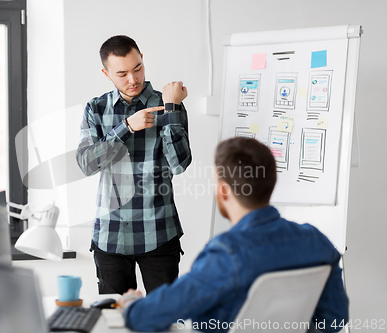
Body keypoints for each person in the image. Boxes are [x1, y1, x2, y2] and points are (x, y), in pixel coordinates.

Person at [117, 137, 349, 333]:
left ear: (224, 191)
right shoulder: (316, 242)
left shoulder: (227, 254)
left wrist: (131, 304)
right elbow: (336, 318)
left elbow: (148, 317)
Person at [76, 35, 192, 295]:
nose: (133, 79)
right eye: (122, 73)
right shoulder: (96, 109)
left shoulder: (167, 104)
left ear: (142, 60)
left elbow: (179, 164)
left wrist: (172, 108)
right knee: (114, 320)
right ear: (106, 73)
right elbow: (86, 164)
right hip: (111, 235)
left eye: (137, 68)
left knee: (165, 321)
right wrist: (126, 127)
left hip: (159, 232)